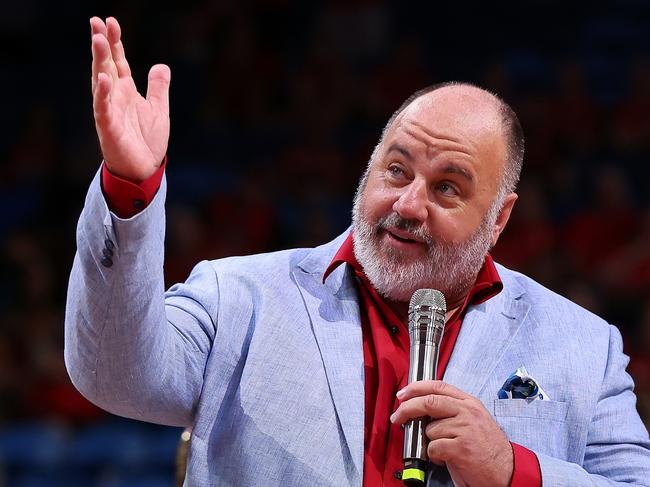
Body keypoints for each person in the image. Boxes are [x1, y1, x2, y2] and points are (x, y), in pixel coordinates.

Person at [65, 16, 650, 487]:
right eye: (396, 170)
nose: (409, 203)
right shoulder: (236, 298)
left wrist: (513, 471)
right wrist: (128, 188)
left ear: (499, 218)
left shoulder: (583, 346)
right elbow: (113, 375)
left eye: (448, 187)